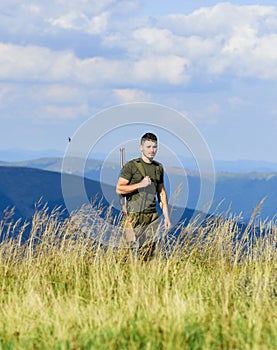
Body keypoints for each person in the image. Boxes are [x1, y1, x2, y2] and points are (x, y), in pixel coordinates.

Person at [116, 132, 171, 259]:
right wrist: (140, 184)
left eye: (154, 147)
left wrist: (167, 217)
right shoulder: (131, 166)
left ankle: (141, 277)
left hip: (152, 216)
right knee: (125, 254)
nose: (152, 150)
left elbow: (161, 193)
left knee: (146, 255)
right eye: (148, 147)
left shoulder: (158, 168)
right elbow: (119, 188)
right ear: (141, 147)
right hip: (133, 215)